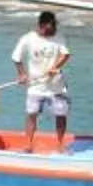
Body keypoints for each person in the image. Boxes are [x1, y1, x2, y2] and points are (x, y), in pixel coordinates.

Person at [11, 9, 71, 153]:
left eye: (55, 26)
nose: (54, 29)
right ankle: (29, 145)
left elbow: (66, 54)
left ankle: (60, 145)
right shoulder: (28, 39)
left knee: (61, 114)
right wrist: (21, 74)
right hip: (36, 85)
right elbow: (16, 58)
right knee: (32, 114)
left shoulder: (59, 38)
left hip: (56, 85)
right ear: (42, 25)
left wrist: (55, 67)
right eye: (51, 26)